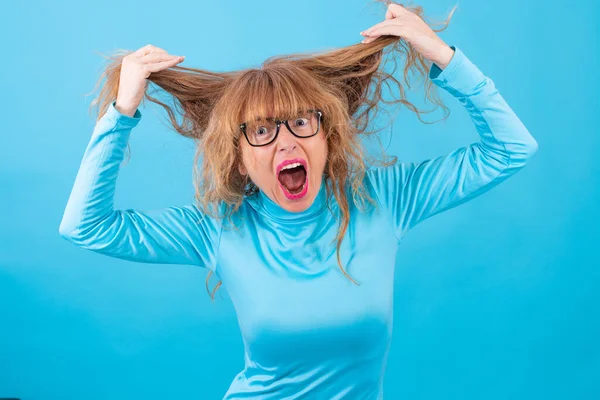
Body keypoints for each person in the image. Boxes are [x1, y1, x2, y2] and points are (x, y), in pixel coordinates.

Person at [59, 3, 538, 399]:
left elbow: (512, 149)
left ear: (327, 137)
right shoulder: (220, 227)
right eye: (262, 131)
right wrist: (122, 112)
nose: (286, 144)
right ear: (240, 160)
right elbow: (86, 226)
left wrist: (440, 54)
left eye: (302, 122)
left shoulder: (384, 200)